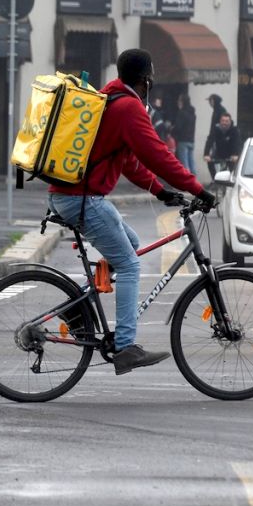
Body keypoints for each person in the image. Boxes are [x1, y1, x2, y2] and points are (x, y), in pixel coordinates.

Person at [48, 49, 216, 376]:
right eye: (150, 79)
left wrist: (161, 190)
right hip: (83, 198)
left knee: (132, 241)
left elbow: (128, 161)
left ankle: (77, 308)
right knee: (129, 263)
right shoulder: (128, 108)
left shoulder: (111, 100)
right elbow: (156, 154)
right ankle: (125, 346)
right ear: (145, 80)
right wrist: (198, 189)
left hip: (72, 196)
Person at [205, 94, 228, 180]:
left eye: (210, 101)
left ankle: (219, 180)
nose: (209, 103)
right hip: (215, 139)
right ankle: (216, 180)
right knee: (212, 161)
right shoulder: (217, 110)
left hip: (219, 140)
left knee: (217, 160)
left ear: (213, 101)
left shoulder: (220, 111)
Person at [173, 93, 197, 174]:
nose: (178, 101)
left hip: (183, 140)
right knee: (191, 163)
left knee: (185, 164)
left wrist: (171, 129)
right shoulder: (192, 113)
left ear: (182, 101)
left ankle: (188, 183)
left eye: (179, 100)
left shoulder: (182, 112)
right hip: (191, 140)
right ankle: (195, 182)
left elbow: (178, 127)